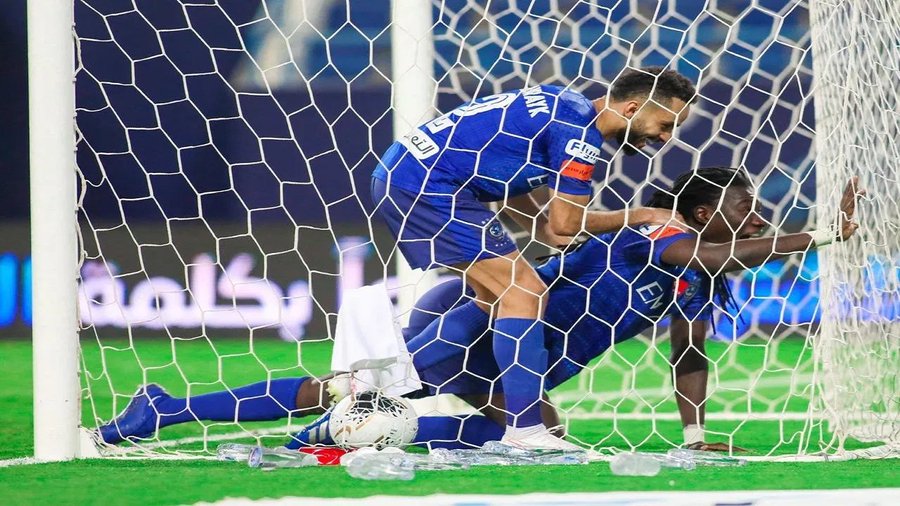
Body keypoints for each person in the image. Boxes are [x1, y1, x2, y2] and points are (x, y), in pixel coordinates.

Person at [97, 167, 864, 452]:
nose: (756, 219)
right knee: (340, 391)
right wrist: (823, 233)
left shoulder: (694, 279)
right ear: (700, 213)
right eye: (744, 209)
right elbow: (713, 255)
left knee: (528, 438)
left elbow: (689, 353)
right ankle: (168, 409)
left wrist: (693, 436)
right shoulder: (662, 234)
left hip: (521, 361)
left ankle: (328, 435)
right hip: (475, 326)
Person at [371, 66, 696, 449]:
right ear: (632, 108)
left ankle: (364, 384)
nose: (666, 137)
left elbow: (509, 177)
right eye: (665, 124)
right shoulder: (579, 134)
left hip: (409, 173)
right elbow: (568, 221)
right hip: (428, 184)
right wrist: (642, 214)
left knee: (499, 298)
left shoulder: (564, 104)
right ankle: (525, 430)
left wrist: (541, 226)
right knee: (525, 292)